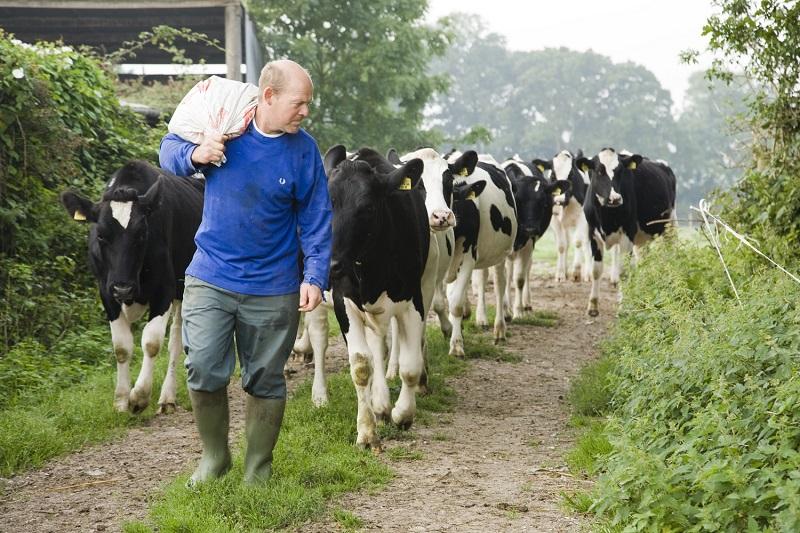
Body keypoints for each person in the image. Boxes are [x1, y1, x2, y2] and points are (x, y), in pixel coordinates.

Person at [159, 59, 332, 486]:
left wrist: (314, 276)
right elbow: (168, 150)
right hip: (210, 275)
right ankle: (214, 460)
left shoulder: (304, 150)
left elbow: (316, 216)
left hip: (273, 286)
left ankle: (258, 472)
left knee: (266, 378)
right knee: (201, 366)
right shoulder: (226, 126)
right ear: (268, 96)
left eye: (308, 104)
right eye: (299, 103)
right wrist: (195, 153)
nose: (305, 112)